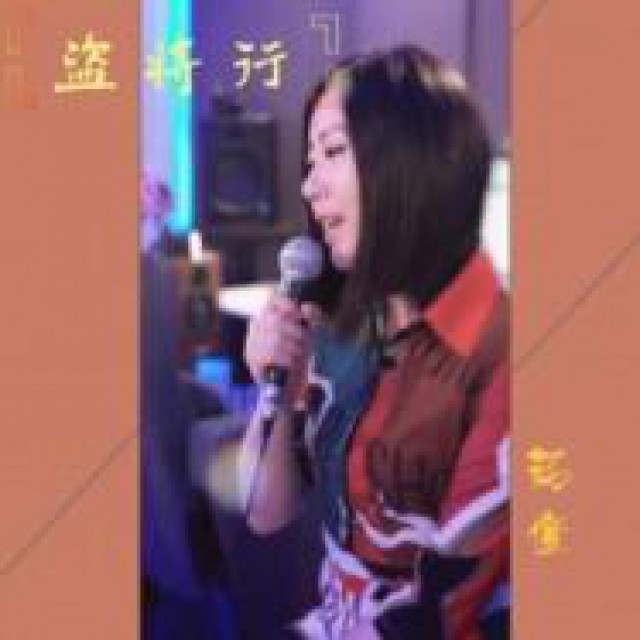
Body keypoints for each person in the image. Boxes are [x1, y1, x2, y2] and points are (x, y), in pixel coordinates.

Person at [240, 45, 509, 639]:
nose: (308, 186)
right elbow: (265, 513)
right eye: (309, 161)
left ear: (413, 163)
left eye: (333, 152)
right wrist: (274, 391)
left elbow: (441, 611)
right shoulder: (344, 324)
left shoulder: (505, 354)